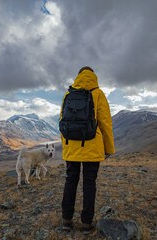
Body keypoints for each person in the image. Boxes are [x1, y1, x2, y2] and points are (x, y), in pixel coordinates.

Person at [60, 66, 115, 234]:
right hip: (92, 146)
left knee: (71, 180)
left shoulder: (68, 94)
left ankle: (66, 221)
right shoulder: (98, 94)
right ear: (93, 76)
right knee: (89, 184)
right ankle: (86, 224)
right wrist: (109, 148)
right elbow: (106, 123)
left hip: (72, 148)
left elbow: (62, 122)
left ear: (78, 76)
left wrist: (67, 146)